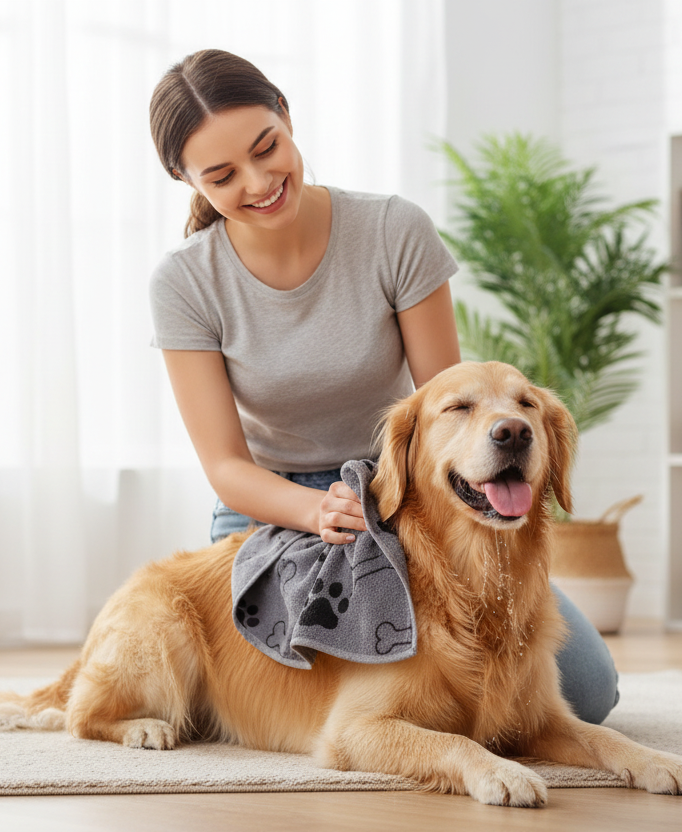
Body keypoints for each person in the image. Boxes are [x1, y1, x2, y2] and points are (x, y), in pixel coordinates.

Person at [146, 49, 618, 724]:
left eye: (266, 148)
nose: (258, 181)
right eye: (221, 176)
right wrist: (314, 513)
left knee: (588, 693)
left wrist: (400, 500)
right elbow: (226, 465)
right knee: (323, 699)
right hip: (270, 512)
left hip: (398, 495)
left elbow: (448, 404)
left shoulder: (394, 229)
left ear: (285, 113)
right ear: (182, 176)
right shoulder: (185, 282)